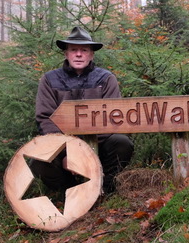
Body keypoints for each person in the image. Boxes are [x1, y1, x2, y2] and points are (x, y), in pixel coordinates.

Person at [31, 26, 134, 194]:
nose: (78, 54)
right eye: (73, 50)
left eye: (84, 50)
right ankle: (71, 191)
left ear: (91, 54)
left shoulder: (106, 79)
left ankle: (105, 189)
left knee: (122, 143)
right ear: (66, 53)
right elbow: (45, 119)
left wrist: (84, 153)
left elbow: (114, 119)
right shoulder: (49, 80)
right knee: (39, 162)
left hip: (101, 148)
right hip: (63, 149)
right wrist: (68, 152)